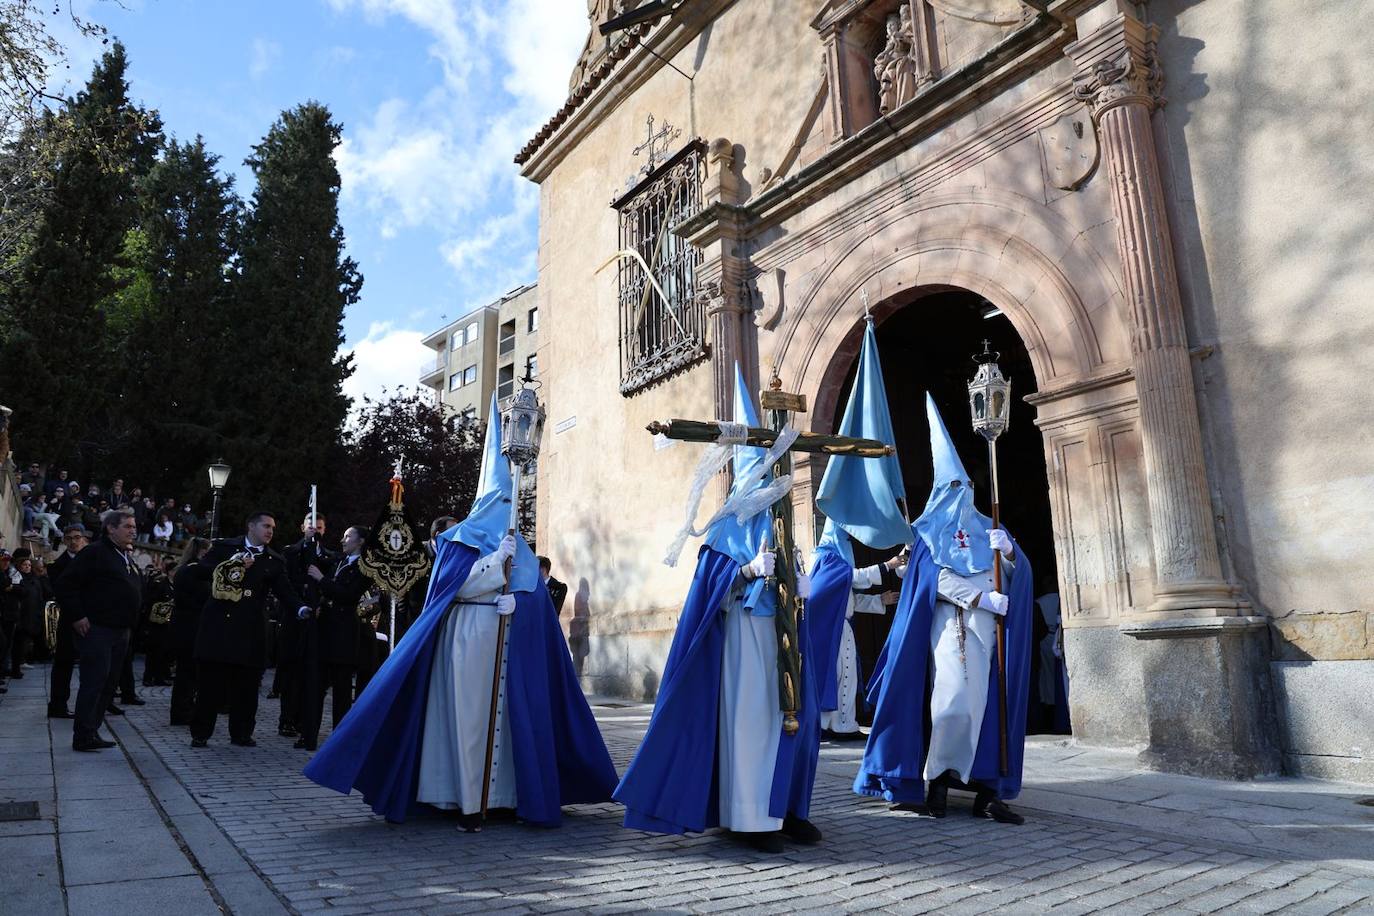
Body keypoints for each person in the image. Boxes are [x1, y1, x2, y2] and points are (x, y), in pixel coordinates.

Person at [304, 393, 617, 829]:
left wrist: (521, 602)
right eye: (501, 505)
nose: (508, 513)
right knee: (468, 722)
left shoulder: (519, 545)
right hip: (467, 638)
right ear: (488, 504)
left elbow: (534, 596)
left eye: (512, 505)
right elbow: (452, 588)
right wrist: (492, 567)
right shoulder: (458, 540)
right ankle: (465, 798)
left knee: (508, 726)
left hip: (506, 644)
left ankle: (504, 795)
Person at [614, 365, 821, 854]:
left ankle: (788, 808)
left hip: (786, 635)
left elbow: (793, 570)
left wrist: (801, 579)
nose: (767, 483)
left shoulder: (782, 517)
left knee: (795, 719)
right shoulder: (727, 525)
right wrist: (745, 573)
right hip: (747, 639)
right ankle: (751, 818)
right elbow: (710, 595)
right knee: (753, 726)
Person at [855, 395, 1033, 825]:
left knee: (990, 708)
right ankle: (936, 780)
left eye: (965, 486)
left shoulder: (990, 527)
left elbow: (1015, 575)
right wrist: (976, 597)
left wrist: (1010, 555)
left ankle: (987, 792)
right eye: (951, 487)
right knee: (950, 702)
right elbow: (930, 580)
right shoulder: (925, 533)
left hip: (991, 631)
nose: (960, 494)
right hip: (950, 625)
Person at [188, 512, 311, 748]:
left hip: (250, 629)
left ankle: (242, 733)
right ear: (251, 526)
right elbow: (201, 571)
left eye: (273, 528)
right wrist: (231, 564)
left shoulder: (274, 560)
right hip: (219, 627)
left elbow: (285, 591)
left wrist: (301, 609)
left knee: (247, 686)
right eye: (266, 526)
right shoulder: (225, 548)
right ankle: (201, 732)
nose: (270, 531)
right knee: (210, 685)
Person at [52, 509, 144, 752]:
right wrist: (77, 616)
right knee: (94, 681)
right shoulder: (95, 553)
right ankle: (82, 735)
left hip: (120, 630)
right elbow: (65, 585)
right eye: (127, 526)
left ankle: (92, 729)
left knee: (109, 683)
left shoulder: (124, 555)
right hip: (98, 629)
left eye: (134, 526)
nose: (133, 530)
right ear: (111, 528)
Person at [297, 525, 374, 751]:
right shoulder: (340, 561)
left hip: (344, 635)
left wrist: (322, 580)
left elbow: (348, 596)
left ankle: (339, 740)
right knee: (316, 686)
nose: (343, 540)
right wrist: (310, 539)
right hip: (325, 631)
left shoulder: (365, 567)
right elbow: (317, 556)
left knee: (341, 690)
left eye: (348, 536)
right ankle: (308, 735)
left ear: (360, 541)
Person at [278, 514, 333, 739]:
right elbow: (286, 580)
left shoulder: (329, 556)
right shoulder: (290, 551)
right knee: (291, 671)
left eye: (319, 527)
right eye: (311, 526)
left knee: (313, 672)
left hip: (319, 621)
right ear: (303, 527)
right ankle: (287, 719)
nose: (315, 530)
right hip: (295, 619)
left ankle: (305, 720)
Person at [47, 524, 90, 719]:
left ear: (83, 539)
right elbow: (63, 593)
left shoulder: (91, 561)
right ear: (64, 540)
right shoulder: (58, 566)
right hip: (69, 620)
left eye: (77, 537)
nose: (74, 541)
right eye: (70, 538)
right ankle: (58, 704)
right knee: (63, 663)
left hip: (91, 619)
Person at [169, 537, 212, 726]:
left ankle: (183, 709)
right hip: (190, 627)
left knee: (186, 673)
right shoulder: (195, 570)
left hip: (185, 626)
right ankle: (182, 712)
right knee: (187, 674)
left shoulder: (185, 569)